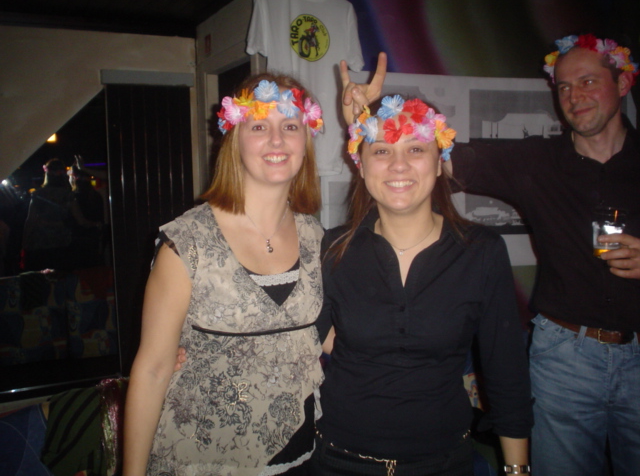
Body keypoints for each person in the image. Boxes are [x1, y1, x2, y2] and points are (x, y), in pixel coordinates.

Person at [342, 34, 640, 476]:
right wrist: (368, 125)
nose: (575, 96)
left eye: (588, 81)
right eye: (563, 86)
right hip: (565, 356)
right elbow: (425, 162)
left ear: (624, 83)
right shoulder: (536, 160)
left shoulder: (479, 252)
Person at [312, 94, 532, 475]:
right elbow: (301, 341)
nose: (398, 164)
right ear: (360, 165)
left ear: (440, 161)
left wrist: (517, 471)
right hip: (339, 459)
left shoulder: (480, 251)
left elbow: (507, 376)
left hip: (443, 462)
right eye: (381, 150)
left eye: (415, 148)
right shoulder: (334, 248)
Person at [123, 73, 326, 476]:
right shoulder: (187, 243)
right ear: (234, 140)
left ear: (305, 140)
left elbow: (338, 332)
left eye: (290, 126)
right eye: (259, 127)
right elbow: (153, 369)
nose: (277, 140)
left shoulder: (316, 237)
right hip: (202, 461)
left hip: (301, 457)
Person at [22, 158, 75, 271]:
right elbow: (77, 218)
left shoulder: (38, 194)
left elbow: (30, 219)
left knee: (42, 274)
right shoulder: (68, 194)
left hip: (41, 240)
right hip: (62, 239)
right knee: (61, 273)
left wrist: (25, 241)